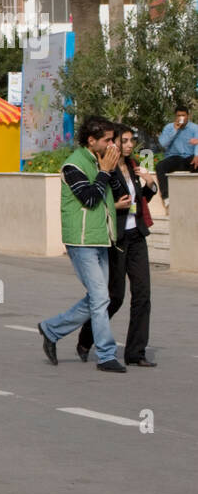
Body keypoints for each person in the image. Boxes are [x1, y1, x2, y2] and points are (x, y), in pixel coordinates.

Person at [38, 116, 128, 373]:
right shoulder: (73, 165)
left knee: (100, 298)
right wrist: (104, 172)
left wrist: (111, 169)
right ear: (91, 140)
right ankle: (106, 355)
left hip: (101, 237)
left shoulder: (104, 162)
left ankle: (51, 329)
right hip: (81, 239)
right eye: (108, 140)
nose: (112, 145)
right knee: (101, 298)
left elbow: (121, 192)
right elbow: (89, 199)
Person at [75, 124, 156, 368]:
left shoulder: (132, 167)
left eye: (133, 140)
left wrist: (150, 185)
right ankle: (86, 337)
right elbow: (98, 200)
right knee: (115, 296)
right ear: (114, 143)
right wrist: (115, 206)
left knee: (143, 294)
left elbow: (139, 200)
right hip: (117, 237)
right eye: (126, 140)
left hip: (137, 235)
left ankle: (135, 352)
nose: (131, 145)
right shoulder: (106, 169)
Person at [155, 105, 198, 207]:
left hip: (189, 158)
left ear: (188, 116)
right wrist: (175, 130)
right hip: (174, 158)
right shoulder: (169, 127)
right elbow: (162, 144)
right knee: (160, 166)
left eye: (183, 115)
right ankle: (166, 197)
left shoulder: (195, 128)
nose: (181, 117)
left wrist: (197, 155)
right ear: (175, 116)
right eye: (178, 115)